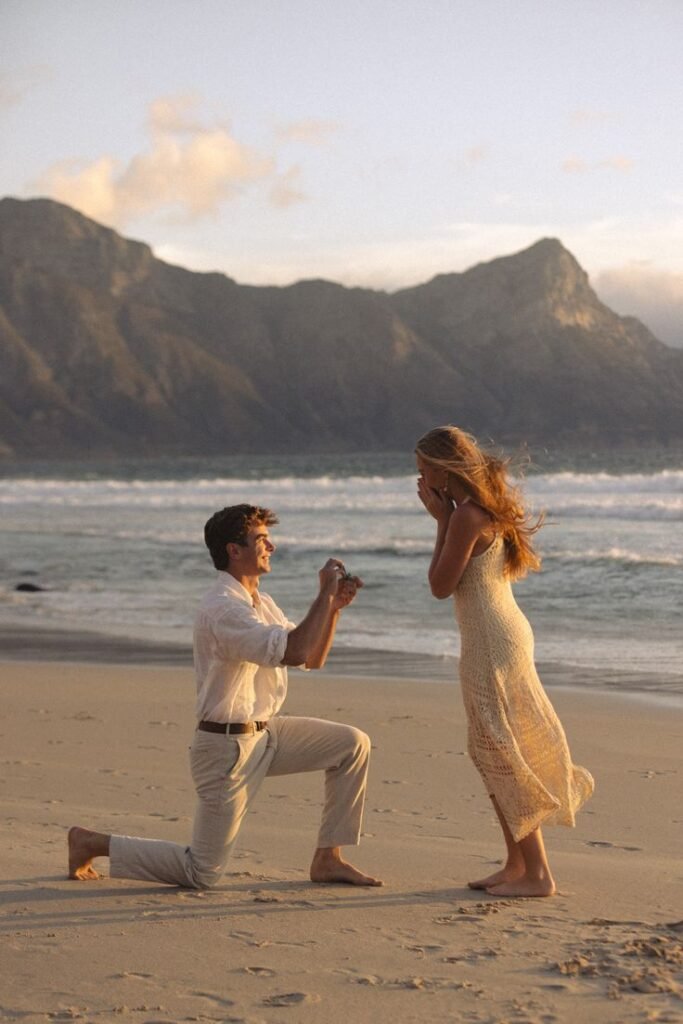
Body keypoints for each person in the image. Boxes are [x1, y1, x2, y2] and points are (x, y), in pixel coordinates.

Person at [68, 503, 382, 889]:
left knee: (351, 744)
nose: (272, 547)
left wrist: (332, 608)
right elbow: (295, 651)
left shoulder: (260, 602)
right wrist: (323, 593)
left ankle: (328, 859)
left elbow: (312, 658)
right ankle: (91, 842)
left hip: (267, 736)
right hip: (226, 749)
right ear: (234, 550)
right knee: (201, 872)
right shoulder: (223, 609)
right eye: (261, 540)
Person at [415, 427, 593, 898]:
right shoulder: (482, 508)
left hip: (490, 643)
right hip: (506, 633)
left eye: (423, 470)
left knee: (498, 751)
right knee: (491, 748)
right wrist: (446, 518)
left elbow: (439, 586)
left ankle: (538, 873)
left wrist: (440, 521)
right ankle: (516, 863)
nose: (420, 480)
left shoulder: (465, 517)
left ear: (443, 471)